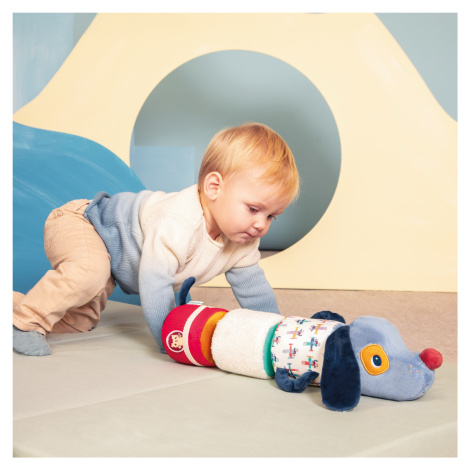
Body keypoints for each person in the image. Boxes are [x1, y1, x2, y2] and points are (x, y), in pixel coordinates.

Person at [13, 122, 300, 356]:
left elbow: (254, 290)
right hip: (85, 221)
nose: (261, 224)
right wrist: (170, 338)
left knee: (79, 322)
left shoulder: (243, 240)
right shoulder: (179, 222)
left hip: (111, 258)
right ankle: (25, 324)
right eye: (253, 209)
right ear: (214, 187)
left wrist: (276, 334)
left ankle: (15, 308)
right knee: (88, 272)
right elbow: (155, 280)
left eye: (272, 216)